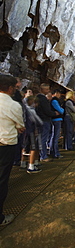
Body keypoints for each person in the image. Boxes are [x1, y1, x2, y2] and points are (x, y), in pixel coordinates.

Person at [0, 74, 25, 225]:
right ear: (10, 88)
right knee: (2, 180)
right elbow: (20, 126)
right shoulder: (14, 105)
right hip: (5, 145)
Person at [35, 83, 58, 162]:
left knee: (41, 138)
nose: (48, 91)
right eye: (47, 89)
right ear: (42, 90)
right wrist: (54, 113)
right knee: (43, 138)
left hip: (39, 119)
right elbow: (46, 110)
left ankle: (40, 155)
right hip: (44, 120)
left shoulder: (36, 98)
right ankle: (43, 155)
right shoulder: (43, 99)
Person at [22, 95, 43, 173]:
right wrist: (41, 123)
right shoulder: (31, 110)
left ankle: (23, 163)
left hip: (25, 130)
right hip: (32, 130)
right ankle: (31, 166)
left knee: (24, 147)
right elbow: (38, 121)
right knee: (33, 148)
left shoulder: (24, 108)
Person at [50, 89, 64, 158]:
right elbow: (61, 110)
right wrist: (62, 109)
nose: (60, 95)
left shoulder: (54, 100)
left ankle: (52, 151)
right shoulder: (55, 101)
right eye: (59, 93)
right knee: (55, 137)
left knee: (54, 136)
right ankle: (55, 153)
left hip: (56, 119)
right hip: (56, 119)